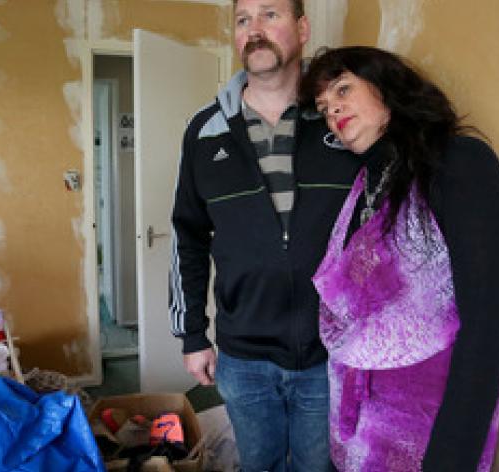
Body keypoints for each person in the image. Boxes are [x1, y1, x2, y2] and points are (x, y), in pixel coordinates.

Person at [299, 46, 499, 471]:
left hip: (431, 432)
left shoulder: (459, 165)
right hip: (358, 436)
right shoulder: (366, 183)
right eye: (325, 107)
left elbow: (490, 328)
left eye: (343, 89)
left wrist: (449, 460)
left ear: (388, 87)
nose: (334, 111)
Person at [168, 1, 359, 471]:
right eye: (242, 19)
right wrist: (192, 334)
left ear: (302, 27)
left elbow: (380, 222)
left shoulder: (341, 118)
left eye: (269, 14)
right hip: (244, 355)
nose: (254, 29)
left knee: (318, 467)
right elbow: (187, 237)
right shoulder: (204, 131)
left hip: (328, 353)